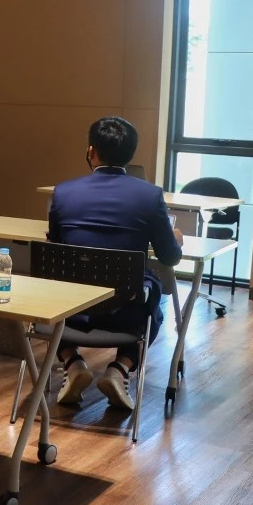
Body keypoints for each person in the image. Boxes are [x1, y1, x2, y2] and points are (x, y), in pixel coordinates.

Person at [48, 116, 184, 411]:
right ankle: (119, 369)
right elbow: (170, 257)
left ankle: (72, 362)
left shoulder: (63, 193)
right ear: (130, 154)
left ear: (91, 151)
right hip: (125, 313)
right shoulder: (150, 196)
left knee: (52, 285)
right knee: (153, 295)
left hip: (69, 312)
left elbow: (56, 251)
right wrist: (175, 237)